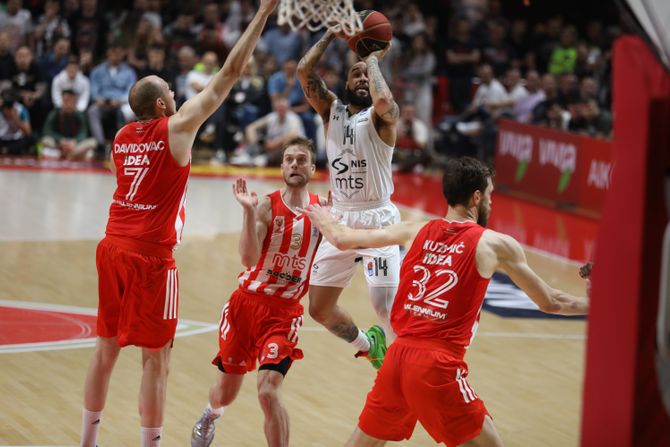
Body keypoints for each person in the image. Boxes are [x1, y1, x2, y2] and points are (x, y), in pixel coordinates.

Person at [79, 1, 278, 446]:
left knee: (105, 349)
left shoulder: (120, 138)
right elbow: (227, 76)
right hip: (150, 256)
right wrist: (262, 14)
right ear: (161, 103)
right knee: (157, 359)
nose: (176, 91)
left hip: (112, 246)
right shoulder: (177, 126)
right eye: (170, 88)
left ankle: (86, 441)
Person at [302, 156, 590, 446]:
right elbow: (551, 302)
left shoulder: (414, 230)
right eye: (489, 195)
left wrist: (322, 216)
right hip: (436, 366)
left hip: (397, 358)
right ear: (476, 197)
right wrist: (600, 303)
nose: (490, 202)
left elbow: (341, 239)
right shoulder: (494, 244)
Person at [191, 137, 325, 447]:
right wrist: (248, 213)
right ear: (281, 167)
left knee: (267, 391)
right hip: (245, 305)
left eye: (301, 159)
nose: (295, 164)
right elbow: (248, 259)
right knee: (226, 393)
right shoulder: (265, 205)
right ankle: (211, 413)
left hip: (284, 313)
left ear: (312, 167)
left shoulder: (322, 212)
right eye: (289, 159)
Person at [297, 30, 401, 369]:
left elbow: (383, 101)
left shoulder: (383, 117)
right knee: (319, 309)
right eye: (354, 73)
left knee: (384, 307)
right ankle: (369, 345)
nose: (361, 78)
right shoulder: (332, 112)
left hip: (377, 220)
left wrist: (371, 61)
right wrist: (330, 34)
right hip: (340, 218)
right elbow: (303, 71)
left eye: (365, 75)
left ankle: (401, 370)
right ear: (344, 83)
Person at [41, 89, 96, 160]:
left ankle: (64, 155)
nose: (67, 104)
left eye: (70, 101)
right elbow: (47, 131)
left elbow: (83, 133)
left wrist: (74, 141)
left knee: (93, 142)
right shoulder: (55, 113)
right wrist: (60, 140)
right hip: (59, 145)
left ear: (75, 102)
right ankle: (73, 155)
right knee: (46, 140)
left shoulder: (80, 115)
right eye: (65, 100)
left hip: (75, 145)